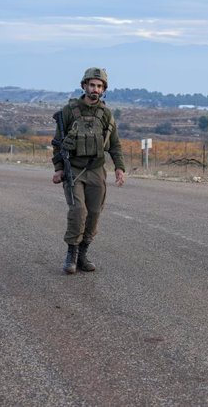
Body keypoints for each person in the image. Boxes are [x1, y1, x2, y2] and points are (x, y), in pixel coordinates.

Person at [52, 67, 126, 274]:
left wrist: (119, 167)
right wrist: (58, 169)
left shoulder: (106, 114)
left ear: (103, 89)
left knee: (93, 213)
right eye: (92, 85)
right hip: (73, 169)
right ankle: (71, 254)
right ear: (84, 86)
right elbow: (57, 142)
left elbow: (115, 144)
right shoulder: (69, 111)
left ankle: (83, 253)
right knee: (78, 211)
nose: (95, 89)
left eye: (99, 86)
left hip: (96, 170)